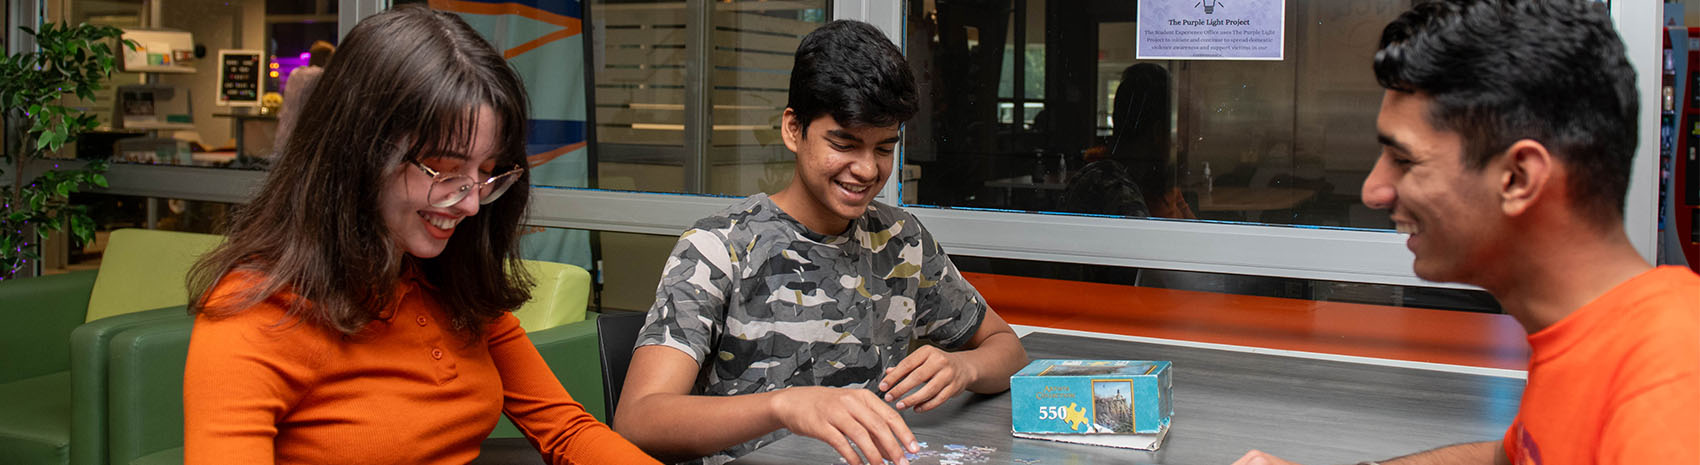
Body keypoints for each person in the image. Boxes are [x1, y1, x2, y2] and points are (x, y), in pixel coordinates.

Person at [181, 6, 659, 464]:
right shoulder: (257, 312)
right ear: (359, 152)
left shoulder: (448, 283)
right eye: (446, 170)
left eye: (487, 173)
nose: (470, 203)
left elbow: (567, 430)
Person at [1234, 1, 1698, 464]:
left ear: (1518, 178)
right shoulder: (1589, 337)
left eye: (1405, 160)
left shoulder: (1672, 379)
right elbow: (1508, 457)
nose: (1374, 190)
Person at [612, 20, 1030, 465]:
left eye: (884, 148)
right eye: (844, 143)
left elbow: (1010, 351)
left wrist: (964, 368)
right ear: (794, 130)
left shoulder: (902, 240)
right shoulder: (719, 248)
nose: (867, 170)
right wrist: (784, 406)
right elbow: (639, 420)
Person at [272, 40, 334, 154]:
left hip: (285, 134)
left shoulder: (295, 73)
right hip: (302, 139)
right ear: (325, 59)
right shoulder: (318, 76)